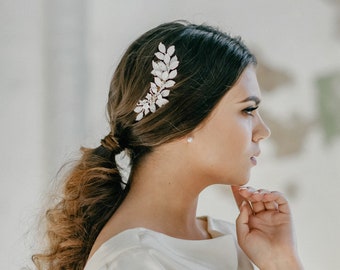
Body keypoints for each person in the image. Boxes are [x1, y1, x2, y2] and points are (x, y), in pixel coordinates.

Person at [32, 21, 303, 270]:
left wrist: (281, 261)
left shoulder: (231, 240)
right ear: (187, 117)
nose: (263, 131)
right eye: (248, 110)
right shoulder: (131, 262)